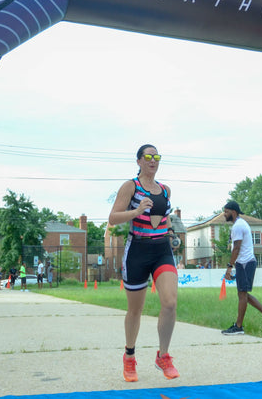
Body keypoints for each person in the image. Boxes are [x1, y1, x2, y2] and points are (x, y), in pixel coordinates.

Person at [108, 143, 179, 382]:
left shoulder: (165, 189)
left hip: (162, 250)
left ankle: (164, 355)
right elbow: (113, 218)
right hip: (137, 250)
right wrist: (136, 211)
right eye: (148, 156)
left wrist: (172, 234)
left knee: (169, 303)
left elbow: (164, 219)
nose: (153, 160)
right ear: (138, 161)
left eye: (157, 156)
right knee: (135, 310)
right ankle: (129, 356)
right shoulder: (130, 186)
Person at [220, 200, 262, 336]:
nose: (224, 214)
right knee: (243, 294)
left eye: (226, 211)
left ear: (233, 212)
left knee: (242, 294)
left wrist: (229, 267)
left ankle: (239, 327)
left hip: (245, 264)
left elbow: (237, 248)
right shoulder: (239, 224)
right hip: (244, 263)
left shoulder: (238, 226)